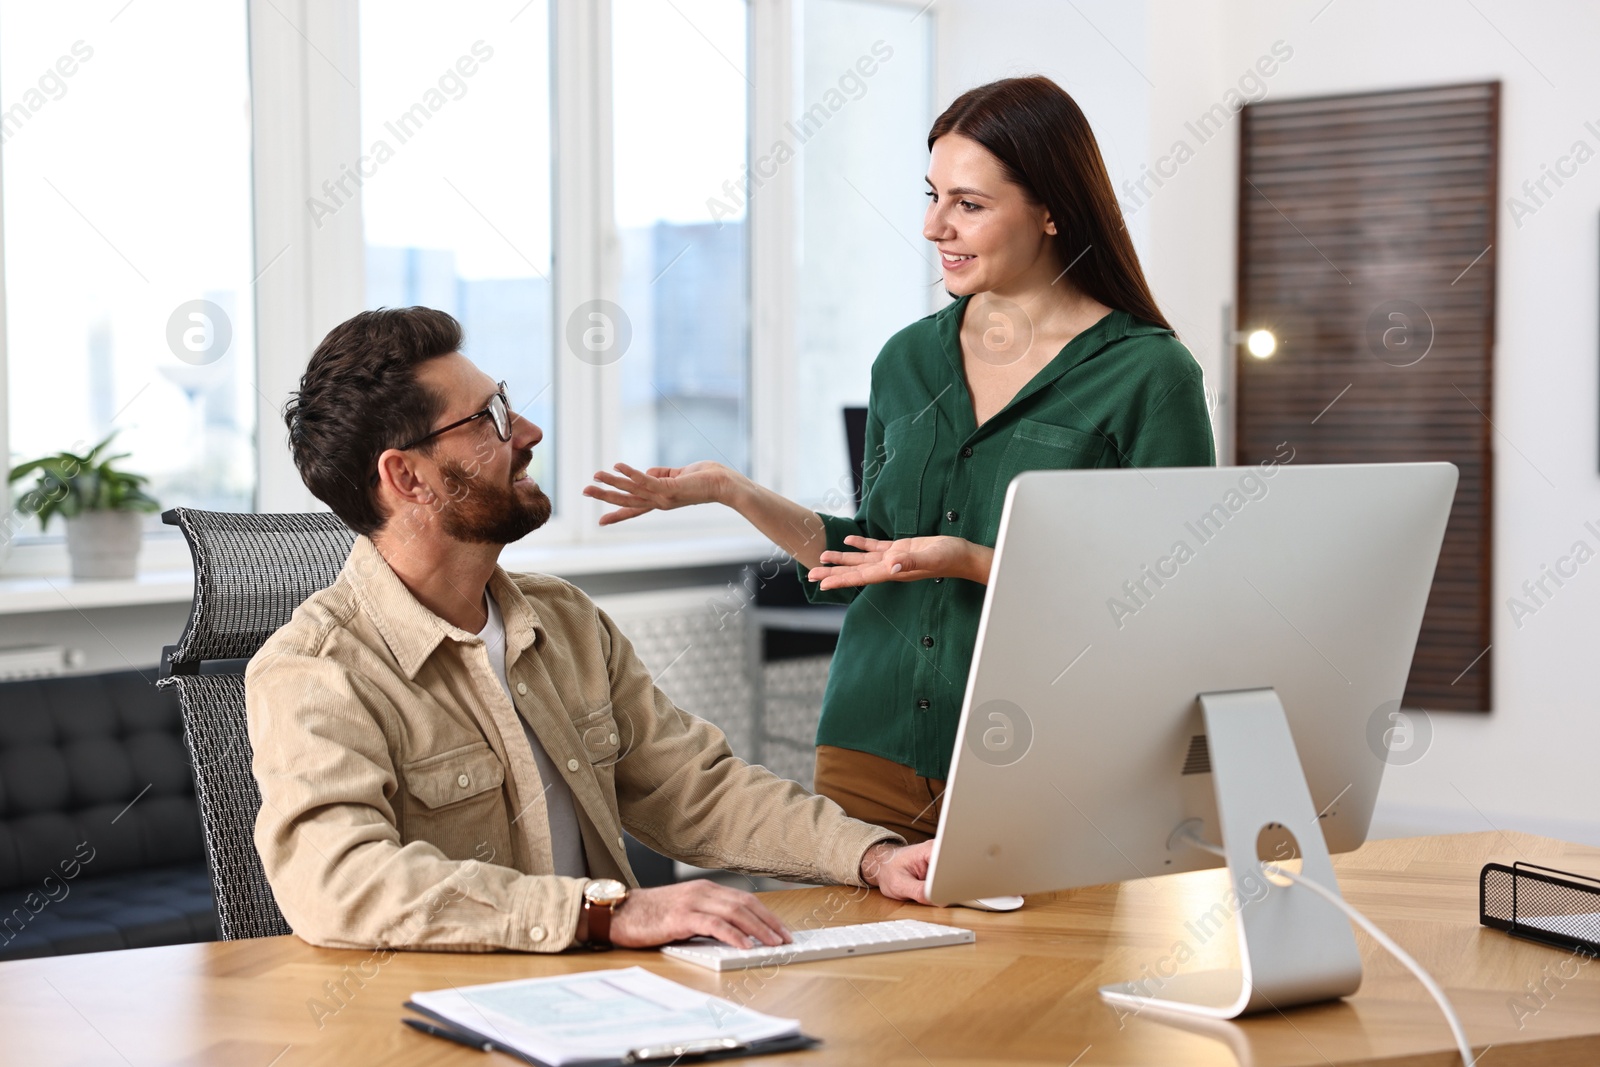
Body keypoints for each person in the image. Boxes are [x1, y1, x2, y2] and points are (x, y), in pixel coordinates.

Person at [583, 76, 1215, 843]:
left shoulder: (1147, 374)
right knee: (866, 963)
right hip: (868, 745)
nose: (933, 227)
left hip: (1047, 757)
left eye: (968, 205)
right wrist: (731, 490)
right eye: (932, 195)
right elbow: (870, 556)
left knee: (1046, 968)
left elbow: (1169, 595)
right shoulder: (907, 361)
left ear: (1052, 210)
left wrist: (971, 560)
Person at [246, 306, 931, 955]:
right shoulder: (315, 670)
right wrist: (604, 912)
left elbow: (695, 789)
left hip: (610, 999)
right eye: (489, 419)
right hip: (455, 1019)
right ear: (407, 476)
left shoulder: (565, 621)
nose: (528, 432)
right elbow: (341, 882)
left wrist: (873, 857)